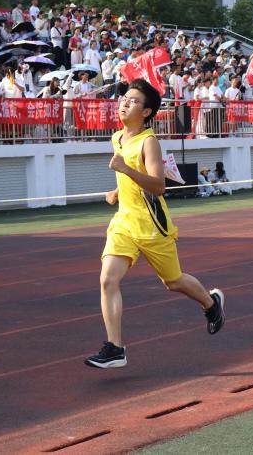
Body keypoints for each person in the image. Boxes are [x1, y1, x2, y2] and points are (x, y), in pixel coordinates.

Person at [84, 79, 225, 369]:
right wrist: (117, 190)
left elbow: (158, 186)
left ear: (147, 112)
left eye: (133, 101)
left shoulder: (149, 142)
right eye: (124, 98)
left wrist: (124, 169)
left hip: (152, 225)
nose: (125, 103)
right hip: (124, 223)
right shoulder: (117, 137)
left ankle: (211, 304)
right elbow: (130, 179)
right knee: (107, 279)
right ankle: (115, 348)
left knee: (173, 281)